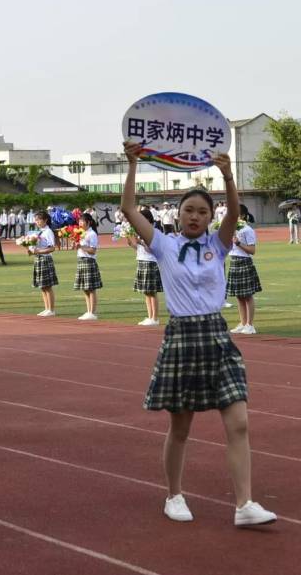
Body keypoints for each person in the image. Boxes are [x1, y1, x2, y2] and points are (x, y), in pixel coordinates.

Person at [122, 141, 276, 527]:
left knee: (238, 421)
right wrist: (132, 165)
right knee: (181, 426)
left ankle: (244, 505)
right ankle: (174, 494)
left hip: (217, 336)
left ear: (210, 217)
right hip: (182, 337)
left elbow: (236, 212)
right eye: (189, 210)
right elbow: (127, 209)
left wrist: (227, 175)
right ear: (177, 214)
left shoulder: (219, 245)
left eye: (202, 212)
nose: (194, 216)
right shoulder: (164, 244)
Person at [226, 205, 261, 335]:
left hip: (244, 262)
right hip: (234, 262)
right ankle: (242, 322)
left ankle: (250, 325)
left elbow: (252, 250)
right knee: (239, 296)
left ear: (243, 216)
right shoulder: (231, 229)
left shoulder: (247, 230)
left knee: (247, 295)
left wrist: (238, 243)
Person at [127, 208, 162, 326]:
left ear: (147, 218)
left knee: (152, 292)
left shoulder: (154, 231)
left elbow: (154, 249)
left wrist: (140, 241)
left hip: (150, 262)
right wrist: (130, 241)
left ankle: (155, 318)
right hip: (142, 261)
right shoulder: (140, 230)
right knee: (146, 292)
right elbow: (138, 248)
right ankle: (149, 316)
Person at [73, 213, 102, 320]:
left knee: (91, 288)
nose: (80, 223)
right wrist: (77, 245)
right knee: (85, 288)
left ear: (88, 222)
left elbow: (92, 251)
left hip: (89, 261)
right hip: (81, 260)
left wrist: (81, 246)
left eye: (82, 221)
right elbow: (82, 248)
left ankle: (92, 312)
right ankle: (88, 311)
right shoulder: (81, 233)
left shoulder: (92, 234)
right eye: (79, 221)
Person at [29, 211, 58, 317]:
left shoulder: (48, 232)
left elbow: (52, 248)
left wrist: (38, 251)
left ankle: (51, 309)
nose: (37, 222)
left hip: (45, 259)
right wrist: (30, 248)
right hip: (38, 259)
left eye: (39, 219)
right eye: (36, 220)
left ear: (45, 220)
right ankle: (46, 308)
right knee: (42, 286)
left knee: (47, 286)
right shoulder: (38, 232)